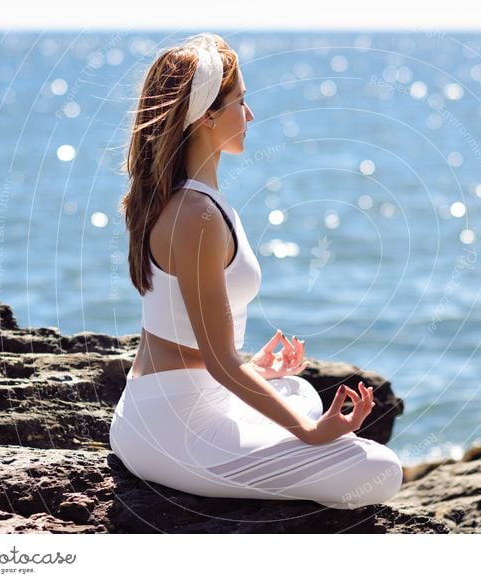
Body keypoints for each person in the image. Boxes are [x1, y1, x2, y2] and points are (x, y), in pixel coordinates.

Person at [109, 32, 403, 510]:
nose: (249, 115)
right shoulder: (197, 216)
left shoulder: (183, 199)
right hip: (175, 433)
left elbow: (185, 340)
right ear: (206, 115)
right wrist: (309, 434)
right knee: (379, 471)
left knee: (295, 388)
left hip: (158, 409)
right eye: (240, 102)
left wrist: (256, 369)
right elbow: (220, 359)